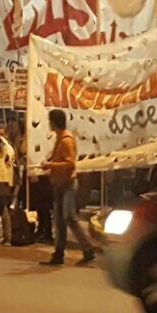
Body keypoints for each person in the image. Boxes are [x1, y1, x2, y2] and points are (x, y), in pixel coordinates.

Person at [40, 108, 95, 266]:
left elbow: (70, 163)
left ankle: (88, 249)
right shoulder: (60, 138)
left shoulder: (66, 140)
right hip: (59, 184)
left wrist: (50, 165)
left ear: (54, 122)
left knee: (69, 217)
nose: (48, 124)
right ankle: (58, 254)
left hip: (67, 184)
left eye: (50, 121)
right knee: (60, 221)